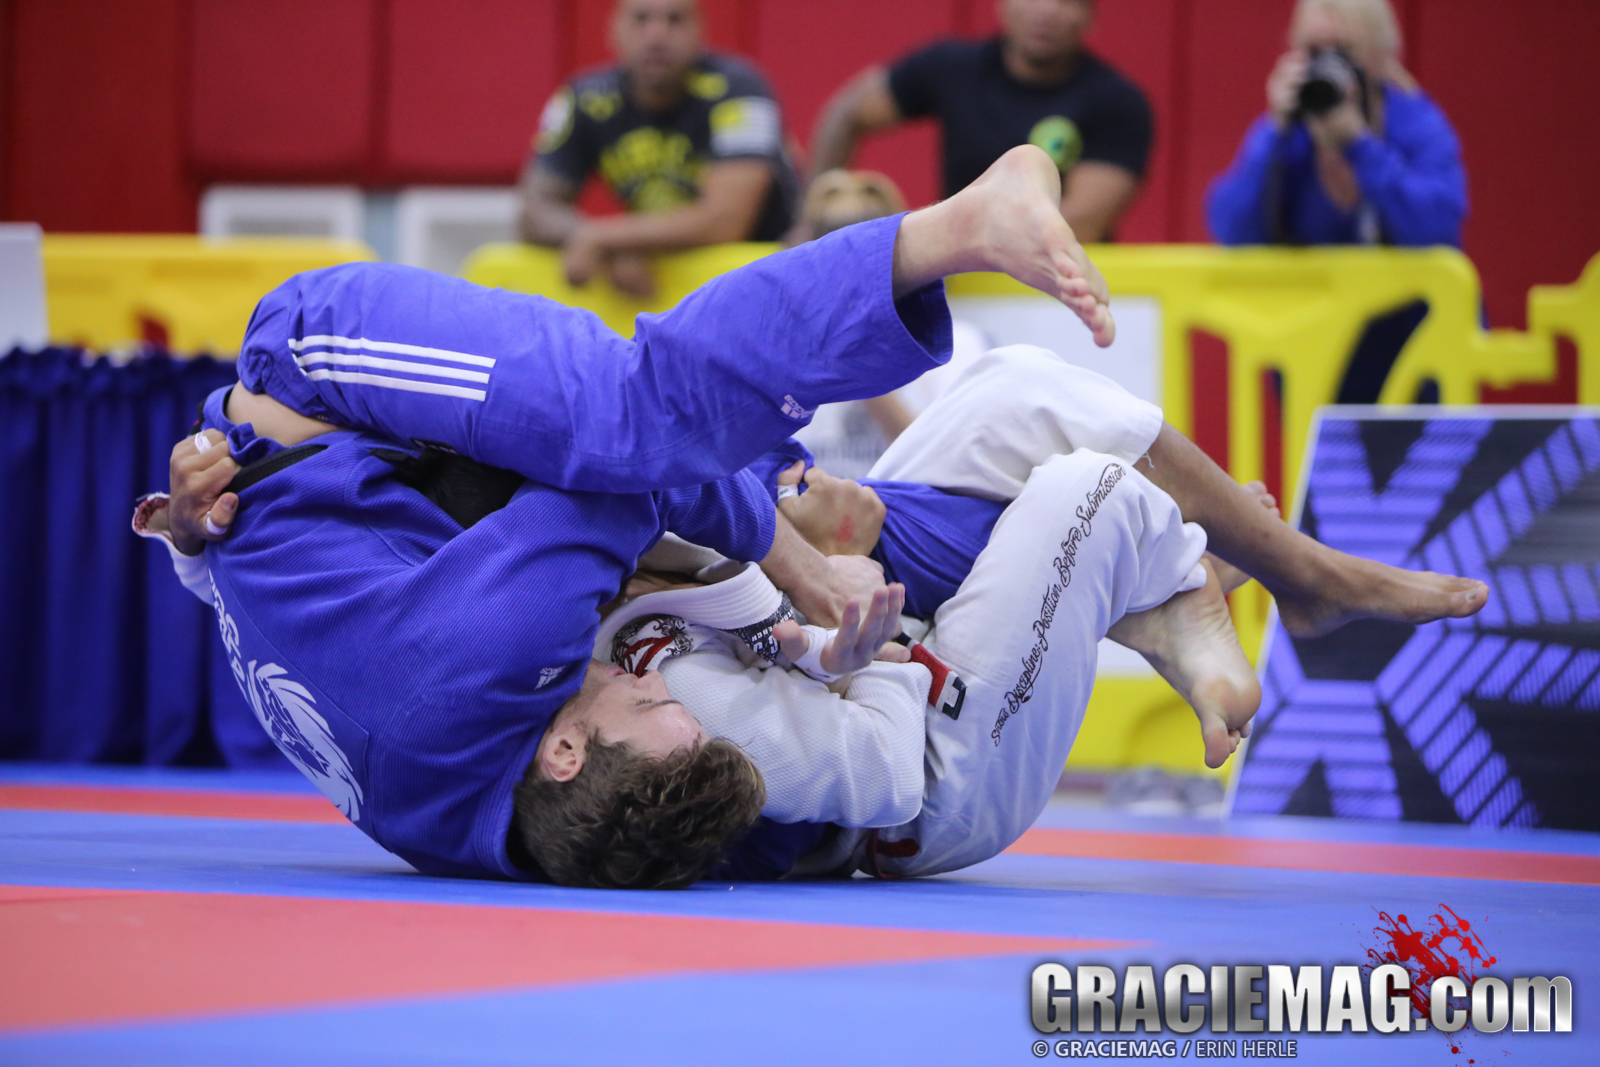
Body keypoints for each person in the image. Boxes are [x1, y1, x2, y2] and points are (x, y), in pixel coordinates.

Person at [137, 147, 1117, 889]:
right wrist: (191, 544)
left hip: (319, 370)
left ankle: (954, 228)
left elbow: (636, 482)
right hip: (384, 465)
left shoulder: (493, 657)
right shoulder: (481, 831)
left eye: (645, 704)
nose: (646, 679)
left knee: (636, 421)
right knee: (688, 472)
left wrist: (800, 571)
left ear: (566, 753)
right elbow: (282, 612)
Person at [809, 0, 1152, 243]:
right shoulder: (952, 68)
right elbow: (846, 114)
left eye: (1067, 1)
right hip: (961, 280)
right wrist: (812, 218)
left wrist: (923, 241)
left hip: (1062, 290)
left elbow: (1079, 225)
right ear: (1002, 5)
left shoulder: (1117, 102)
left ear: (1090, 17)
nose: (1046, 10)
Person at [519, 0, 800, 297]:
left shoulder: (739, 89)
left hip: (764, 281)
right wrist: (604, 241)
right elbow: (533, 210)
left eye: (675, 20)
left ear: (700, 32)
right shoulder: (586, 98)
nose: (657, 35)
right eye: (641, 19)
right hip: (659, 276)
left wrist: (607, 238)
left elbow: (725, 222)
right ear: (614, 30)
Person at [1206, 0, 1467, 248]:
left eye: (1343, 51)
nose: (1327, 64)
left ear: (1381, 56)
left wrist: (1360, 145)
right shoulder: (1287, 131)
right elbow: (1231, 232)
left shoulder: (1415, 124)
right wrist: (1274, 131)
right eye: (1314, 51)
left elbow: (1437, 231)